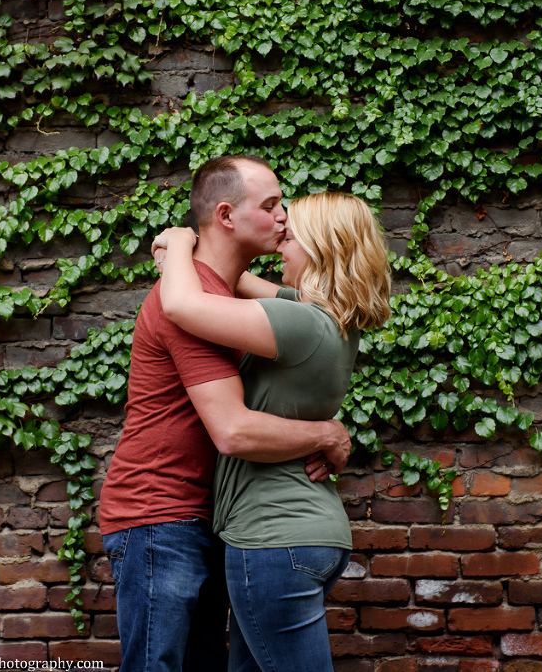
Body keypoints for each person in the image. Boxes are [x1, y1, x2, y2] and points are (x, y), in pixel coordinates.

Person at [98, 156, 353, 672]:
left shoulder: (223, 300)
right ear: (226, 215)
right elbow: (233, 429)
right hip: (159, 515)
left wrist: (177, 244)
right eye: (271, 206)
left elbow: (307, 306)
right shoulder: (189, 305)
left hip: (208, 516)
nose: (284, 218)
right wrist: (323, 432)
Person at [153, 190, 391, 672]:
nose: (280, 243)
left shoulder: (298, 324)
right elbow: (234, 278)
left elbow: (179, 303)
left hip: (274, 538)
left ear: (321, 249)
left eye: (291, 236)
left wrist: (178, 243)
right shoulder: (328, 319)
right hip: (306, 530)